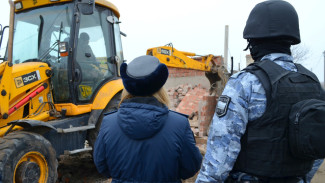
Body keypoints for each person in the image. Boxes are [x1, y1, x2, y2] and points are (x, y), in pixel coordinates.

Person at [195, 0, 324, 182]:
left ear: (253, 42)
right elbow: (318, 146)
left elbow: (220, 156)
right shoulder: (313, 83)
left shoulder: (245, 82)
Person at [93, 55, 202, 182]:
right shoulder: (179, 124)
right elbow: (190, 168)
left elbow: (102, 166)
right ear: (160, 87)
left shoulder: (108, 123)